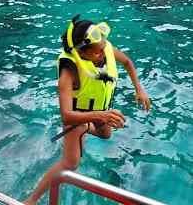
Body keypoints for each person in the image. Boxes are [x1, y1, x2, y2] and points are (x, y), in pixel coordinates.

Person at [25, 14, 150, 205]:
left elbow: (127, 62)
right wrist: (99, 115)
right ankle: (31, 201)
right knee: (71, 163)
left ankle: (85, 128)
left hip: (99, 111)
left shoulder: (105, 49)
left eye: (103, 49)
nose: (104, 55)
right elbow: (66, 115)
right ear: (81, 53)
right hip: (75, 118)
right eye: (97, 52)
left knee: (106, 135)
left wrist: (139, 89)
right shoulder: (69, 72)